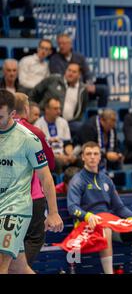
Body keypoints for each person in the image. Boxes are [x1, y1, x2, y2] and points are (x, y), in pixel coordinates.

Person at [67, 141, 132, 274]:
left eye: (95, 154)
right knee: (106, 229)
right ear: (83, 157)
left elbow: (119, 208)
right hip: (88, 225)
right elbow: (72, 207)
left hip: (110, 221)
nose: (92, 157)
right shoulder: (78, 180)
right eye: (88, 154)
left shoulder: (106, 180)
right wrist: (87, 215)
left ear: (100, 157)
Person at [0, 89, 63, 274]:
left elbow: (46, 177)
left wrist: (53, 212)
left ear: (13, 114)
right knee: (19, 268)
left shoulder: (28, 139)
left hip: (16, 207)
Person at [13, 93, 56, 266]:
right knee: (34, 239)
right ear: (26, 108)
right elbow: (50, 164)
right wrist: (53, 212)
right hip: (32, 196)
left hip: (7, 198)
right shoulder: (34, 132)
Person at [49, 34, 109, 108]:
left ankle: (100, 113)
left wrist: (89, 84)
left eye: (64, 43)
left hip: (83, 87)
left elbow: (87, 73)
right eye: (59, 44)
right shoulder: (54, 59)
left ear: (70, 44)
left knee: (104, 89)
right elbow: (59, 78)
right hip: (67, 89)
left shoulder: (79, 57)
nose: (61, 46)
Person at [30, 62, 88, 136]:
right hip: (47, 118)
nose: (70, 73)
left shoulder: (82, 89)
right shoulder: (53, 80)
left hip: (71, 122)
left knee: (82, 127)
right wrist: (34, 108)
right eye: (69, 70)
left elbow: (83, 108)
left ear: (79, 75)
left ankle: (77, 147)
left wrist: (77, 119)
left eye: (74, 72)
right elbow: (35, 92)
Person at [34, 98, 78, 174]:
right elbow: (39, 149)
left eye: (59, 108)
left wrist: (70, 155)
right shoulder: (38, 125)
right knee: (57, 162)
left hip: (63, 154)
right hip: (48, 157)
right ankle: (59, 184)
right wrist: (56, 156)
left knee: (79, 160)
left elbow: (67, 143)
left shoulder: (63, 122)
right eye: (55, 109)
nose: (59, 111)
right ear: (47, 109)